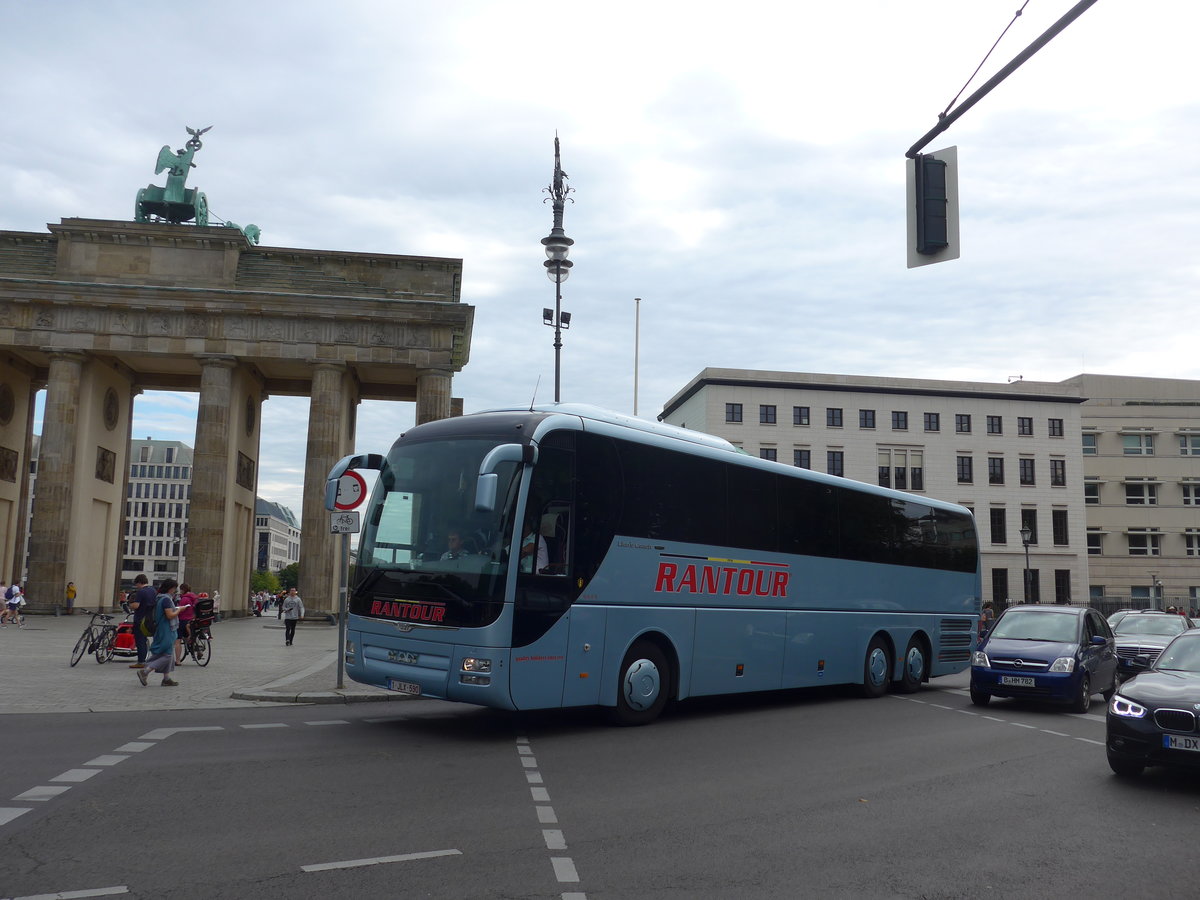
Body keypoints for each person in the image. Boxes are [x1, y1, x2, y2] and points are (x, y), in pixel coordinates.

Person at [136, 578, 187, 687]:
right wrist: (179, 610)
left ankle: (166, 678)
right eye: (174, 588)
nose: (175, 591)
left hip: (160, 628)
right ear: (171, 588)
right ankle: (145, 671)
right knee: (167, 655)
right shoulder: (166, 600)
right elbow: (170, 615)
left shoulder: (159, 598)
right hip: (167, 629)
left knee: (163, 652)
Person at [128, 574, 157, 669]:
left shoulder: (141, 592)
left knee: (140, 640)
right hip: (150, 619)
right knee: (143, 640)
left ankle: (141, 661)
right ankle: (145, 659)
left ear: (139, 582)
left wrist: (130, 605)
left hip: (140, 619)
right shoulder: (153, 590)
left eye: (137, 584)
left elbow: (136, 605)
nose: (137, 586)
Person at [175, 583, 198, 664]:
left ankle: (178, 661)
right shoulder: (194, 598)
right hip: (191, 620)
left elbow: (180, 610)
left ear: (183, 590)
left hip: (182, 620)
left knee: (177, 640)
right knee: (189, 637)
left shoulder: (184, 599)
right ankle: (197, 650)